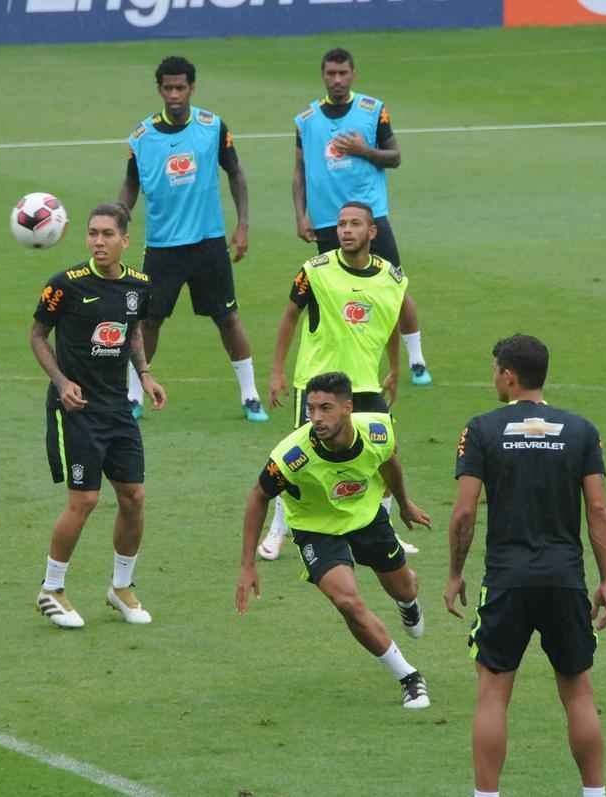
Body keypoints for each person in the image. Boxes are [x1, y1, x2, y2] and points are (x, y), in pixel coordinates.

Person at [444, 336, 606, 797]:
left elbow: (464, 512)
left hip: (506, 580)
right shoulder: (581, 430)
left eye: (494, 368)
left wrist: (455, 572)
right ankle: (595, 794)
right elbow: (598, 511)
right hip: (565, 580)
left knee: (493, 694)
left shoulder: (481, 429)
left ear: (508, 376)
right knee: (578, 692)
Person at [236, 371, 433, 709]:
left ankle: (408, 603)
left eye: (325, 408)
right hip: (316, 528)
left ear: (347, 408)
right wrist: (247, 565)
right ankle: (409, 677)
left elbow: (389, 463)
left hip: (367, 516)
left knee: (404, 587)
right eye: (311, 409)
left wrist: (404, 504)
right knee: (347, 602)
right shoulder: (292, 455)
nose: (316, 418)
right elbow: (258, 496)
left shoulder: (378, 429)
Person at [30, 203, 167, 629]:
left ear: (125, 240)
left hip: (117, 408)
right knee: (85, 499)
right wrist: (60, 381)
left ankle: (121, 587)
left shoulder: (139, 285)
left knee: (134, 497)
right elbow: (37, 335)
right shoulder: (65, 285)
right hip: (77, 409)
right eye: (93, 233)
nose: (98, 241)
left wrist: (144, 373)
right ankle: (51, 588)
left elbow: (134, 331)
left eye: (108, 234)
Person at [258, 201, 420, 560]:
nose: (346, 230)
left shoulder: (391, 278)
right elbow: (289, 317)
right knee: (301, 459)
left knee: (385, 453)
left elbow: (391, 322)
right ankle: (278, 529)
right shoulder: (315, 271)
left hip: (364, 383)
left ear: (372, 232)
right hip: (319, 385)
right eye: (342, 224)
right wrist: (276, 371)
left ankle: (386, 526)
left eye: (355, 224)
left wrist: (393, 368)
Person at [117, 55, 268, 422]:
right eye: (167, 88)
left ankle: (250, 395)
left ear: (192, 88)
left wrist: (243, 224)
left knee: (227, 317)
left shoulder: (212, 126)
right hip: (163, 248)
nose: (173, 95)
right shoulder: (141, 137)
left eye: (180, 87)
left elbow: (236, 173)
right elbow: (131, 183)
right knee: (148, 322)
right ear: (159, 90)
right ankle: (134, 396)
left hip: (208, 243)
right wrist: (118, 222)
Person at [292, 47, 432, 387]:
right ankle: (339, 359)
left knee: (396, 287)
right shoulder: (306, 120)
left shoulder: (372, 111)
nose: (337, 80)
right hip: (328, 222)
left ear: (353, 74)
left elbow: (395, 157)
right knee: (331, 295)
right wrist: (301, 215)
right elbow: (299, 171)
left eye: (343, 73)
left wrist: (363, 151)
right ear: (322, 75)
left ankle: (416, 359)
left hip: (371, 220)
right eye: (331, 74)